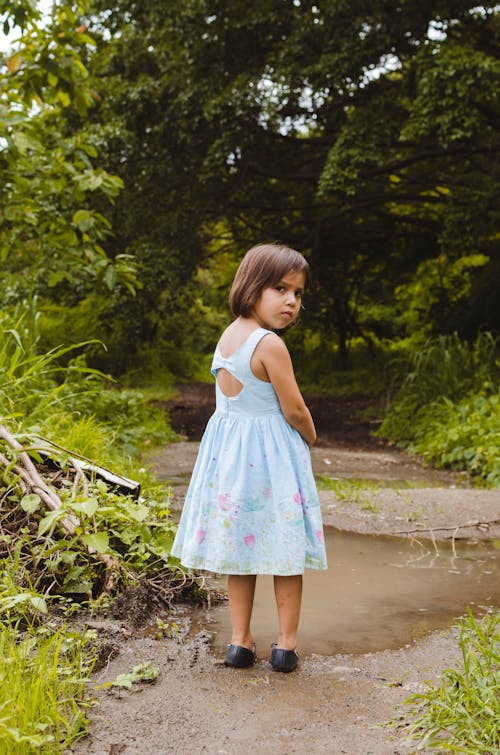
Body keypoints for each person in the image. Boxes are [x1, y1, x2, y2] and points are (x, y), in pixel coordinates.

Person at [171, 243, 327, 672]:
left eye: (298, 293)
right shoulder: (270, 344)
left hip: (232, 461)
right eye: (281, 288)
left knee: (242, 551)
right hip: (271, 460)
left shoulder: (228, 336)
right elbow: (293, 408)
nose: (292, 301)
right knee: (285, 550)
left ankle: (239, 642)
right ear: (253, 286)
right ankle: (285, 646)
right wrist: (310, 437)